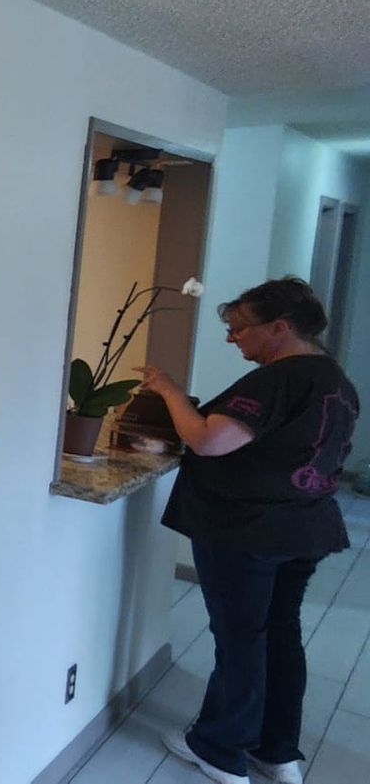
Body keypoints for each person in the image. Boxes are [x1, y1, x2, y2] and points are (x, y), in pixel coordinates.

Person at [135, 277, 358, 784]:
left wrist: (168, 389)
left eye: (239, 329)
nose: (233, 339)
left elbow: (209, 441)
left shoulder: (278, 379)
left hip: (247, 530)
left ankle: (219, 748)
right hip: (303, 528)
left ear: (279, 328)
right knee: (279, 636)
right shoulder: (335, 380)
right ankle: (276, 751)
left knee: (240, 640)